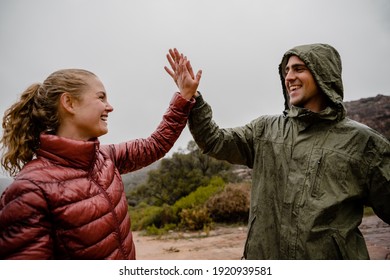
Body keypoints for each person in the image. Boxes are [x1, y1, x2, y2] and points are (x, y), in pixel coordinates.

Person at [165, 44, 390, 259]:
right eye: (286, 71)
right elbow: (214, 141)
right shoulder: (265, 130)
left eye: (299, 69)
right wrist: (190, 97)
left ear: (323, 73)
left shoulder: (363, 143)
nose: (289, 77)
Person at [0, 55, 201, 259]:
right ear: (68, 102)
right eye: (101, 97)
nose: (110, 107)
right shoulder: (30, 190)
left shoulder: (105, 157)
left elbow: (155, 145)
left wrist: (184, 96)